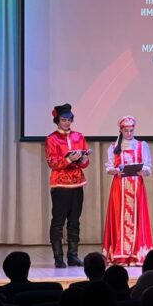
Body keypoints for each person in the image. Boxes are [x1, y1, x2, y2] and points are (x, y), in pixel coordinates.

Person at [102, 115, 153, 266]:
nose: (129, 133)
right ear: (121, 130)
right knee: (119, 218)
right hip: (120, 187)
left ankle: (137, 254)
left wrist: (143, 171)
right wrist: (116, 171)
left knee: (137, 218)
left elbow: (148, 166)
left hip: (136, 187)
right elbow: (109, 168)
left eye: (131, 130)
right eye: (126, 131)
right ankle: (120, 254)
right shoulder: (114, 147)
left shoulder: (142, 145)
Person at [45, 103, 90, 268]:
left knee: (74, 221)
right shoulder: (51, 139)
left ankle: (73, 256)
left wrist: (83, 159)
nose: (67, 123)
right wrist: (69, 159)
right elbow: (52, 163)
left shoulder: (79, 136)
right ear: (57, 120)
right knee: (58, 222)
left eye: (69, 120)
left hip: (77, 183)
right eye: (64, 120)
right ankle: (58, 257)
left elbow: (84, 164)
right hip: (60, 185)